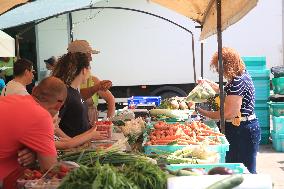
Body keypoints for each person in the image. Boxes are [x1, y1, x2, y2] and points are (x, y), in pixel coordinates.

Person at [196, 47, 260, 174]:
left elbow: (229, 113)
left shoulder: (238, 81)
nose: (221, 72)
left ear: (228, 65)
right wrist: (209, 84)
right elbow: (227, 93)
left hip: (242, 129)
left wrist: (202, 112)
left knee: (243, 170)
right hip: (243, 127)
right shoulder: (241, 76)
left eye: (221, 68)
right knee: (237, 168)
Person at [0, 76, 67, 181]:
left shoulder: (12, 99)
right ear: (58, 105)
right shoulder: (41, 116)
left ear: (34, 90)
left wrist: (35, 153)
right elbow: (50, 169)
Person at [52, 52, 111, 137]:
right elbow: (54, 126)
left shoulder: (75, 92)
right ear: (84, 70)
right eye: (89, 68)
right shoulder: (65, 93)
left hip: (82, 145)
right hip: (74, 148)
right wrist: (71, 143)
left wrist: (93, 130)